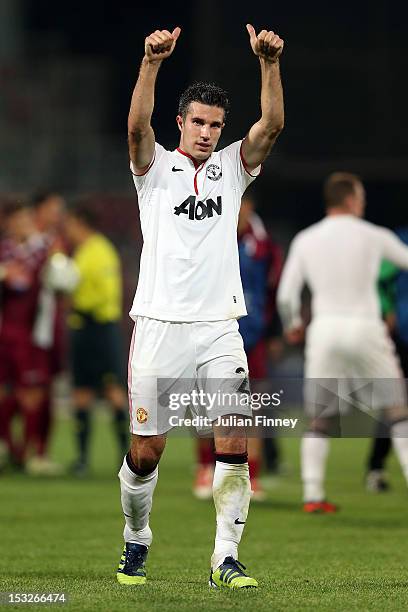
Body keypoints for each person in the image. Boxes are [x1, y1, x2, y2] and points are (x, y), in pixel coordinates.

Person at [117, 25, 284, 589]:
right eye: (199, 122)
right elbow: (136, 125)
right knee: (147, 451)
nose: (208, 132)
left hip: (219, 327)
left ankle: (225, 558)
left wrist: (268, 65)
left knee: (233, 440)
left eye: (216, 124)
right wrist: (150, 63)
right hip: (160, 326)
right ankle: (136, 540)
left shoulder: (234, 168)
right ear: (181, 122)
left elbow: (273, 125)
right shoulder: (154, 168)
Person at [277, 172, 408, 513]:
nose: (363, 202)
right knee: (398, 413)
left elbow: (287, 295)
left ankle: (312, 495)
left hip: (325, 329)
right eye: (361, 196)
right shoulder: (374, 235)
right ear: (350, 199)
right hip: (366, 326)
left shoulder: (307, 239)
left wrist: (292, 324)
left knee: (320, 418)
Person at [193, 193, 283, 501]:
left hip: (251, 335)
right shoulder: (206, 234)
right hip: (211, 329)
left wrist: (273, 333)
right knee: (208, 404)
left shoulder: (263, 245)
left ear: (249, 205)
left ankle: (251, 476)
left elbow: (272, 291)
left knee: (253, 408)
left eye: (241, 202)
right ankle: (206, 468)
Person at [65, 205, 129, 475]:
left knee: (114, 392)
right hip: (82, 328)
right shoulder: (81, 252)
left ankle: (126, 457)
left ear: (81, 222)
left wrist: (76, 299)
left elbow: (106, 294)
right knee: (81, 393)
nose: (67, 230)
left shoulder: (100, 251)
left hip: (101, 329)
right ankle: (82, 459)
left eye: (70, 224)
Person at [0, 201, 55, 472]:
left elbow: (25, 280)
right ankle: (9, 447)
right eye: (17, 221)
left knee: (31, 392)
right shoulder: (6, 250)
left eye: (26, 220)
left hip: (29, 334)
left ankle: (28, 451)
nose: (23, 225)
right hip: (5, 331)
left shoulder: (42, 249)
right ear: (8, 225)